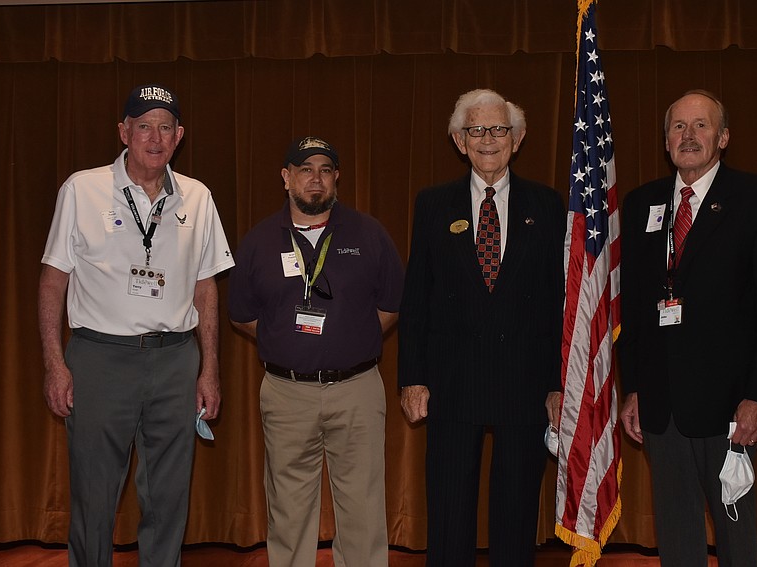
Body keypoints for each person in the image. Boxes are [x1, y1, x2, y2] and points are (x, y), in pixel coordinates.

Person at [38, 83, 235, 567]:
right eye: (143, 125)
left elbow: (206, 287)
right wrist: (54, 364)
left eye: (165, 127)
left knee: (168, 498)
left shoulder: (198, 197)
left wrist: (209, 369)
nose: (154, 137)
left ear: (179, 135)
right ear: (123, 132)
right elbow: (51, 282)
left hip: (174, 360)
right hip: (99, 358)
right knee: (94, 496)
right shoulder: (81, 188)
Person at [617, 89, 757, 567]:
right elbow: (633, 309)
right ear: (666, 141)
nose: (688, 135)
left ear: (724, 137)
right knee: (676, 539)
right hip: (662, 409)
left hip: (731, 409)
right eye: (678, 126)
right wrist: (631, 388)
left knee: (737, 540)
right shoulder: (642, 205)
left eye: (700, 125)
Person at [398, 89, 565, 567]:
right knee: (449, 517)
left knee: (515, 519)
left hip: (525, 382)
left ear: (518, 137)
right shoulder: (433, 203)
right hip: (452, 381)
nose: (487, 139)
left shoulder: (548, 205)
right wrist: (412, 376)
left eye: (498, 129)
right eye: (476, 130)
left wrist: (557, 384)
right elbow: (417, 300)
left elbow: (559, 301)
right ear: (458, 140)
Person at [228, 136, 403, 567]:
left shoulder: (368, 233)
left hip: (357, 389)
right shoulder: (259, 241)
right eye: (305, 170)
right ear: (286, 178)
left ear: (337, 178)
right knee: (288, 512)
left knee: (362, 509)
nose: (316, 179)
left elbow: (392, 305)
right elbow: (241, 315)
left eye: (325, 169)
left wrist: (348, 340)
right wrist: (286, 344)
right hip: (287, 393)